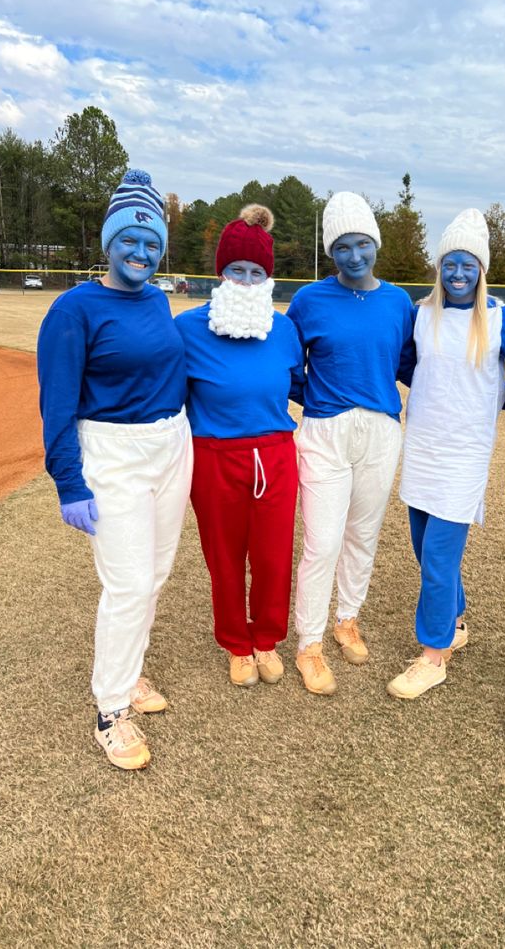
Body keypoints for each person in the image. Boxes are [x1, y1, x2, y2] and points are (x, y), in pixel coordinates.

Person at [36, 169, 193, 770]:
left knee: (153, 575)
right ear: (108, 243)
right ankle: (110, 709)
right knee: (126, 584)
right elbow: (57, 403)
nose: (142, 253)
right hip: (112, 453)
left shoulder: (156, 298)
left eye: (152, 243)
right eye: (130, 240)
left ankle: (128, 675)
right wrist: (69, 482)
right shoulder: (75, 308)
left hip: (169, 446)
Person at [386, 209, 505, 699]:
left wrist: (494, 397)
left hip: (464, 457)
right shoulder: (422, 315)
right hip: (422, 447)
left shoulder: (504, 320)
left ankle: (433, 655)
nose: (458, 274)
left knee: (440, 559)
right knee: (425, 553)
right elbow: (408, 367)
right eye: (450, 264)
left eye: (468, 265)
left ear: (481, 269)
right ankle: (457, 621)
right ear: (439, 268)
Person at [286, 191, 415, 694]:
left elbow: (406, 365)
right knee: (322, 541)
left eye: (362, 243)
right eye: (342, 246)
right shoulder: (310, 300)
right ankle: (309, 643)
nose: (354, 255)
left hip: (381, 430)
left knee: (362, 534)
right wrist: (317, 398)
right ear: (331, 251)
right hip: (326, 430)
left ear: (374, 243)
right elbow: (291, 367)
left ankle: (347, 618)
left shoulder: (397, 301)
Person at [175, 206, 304, 688]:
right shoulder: (188, 329)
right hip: (213, 454)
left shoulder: (284, 328)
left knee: (272, 555)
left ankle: (267, 639)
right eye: (237, 270)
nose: (246, 281)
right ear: (220, 273)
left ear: (267, 277)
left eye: (256, 272)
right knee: (224, 556)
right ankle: (236, 643)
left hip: (273, 452)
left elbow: (297, 384)